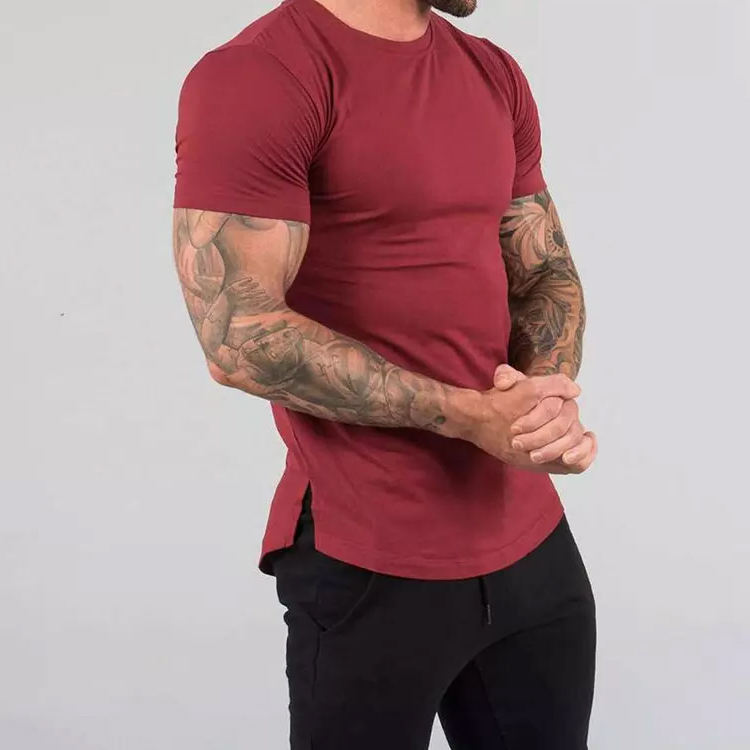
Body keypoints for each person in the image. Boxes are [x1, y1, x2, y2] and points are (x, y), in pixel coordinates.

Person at [171, 0, 598, 746]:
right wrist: (471, 416)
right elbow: (237, 335)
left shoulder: (491, 72)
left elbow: (543, 273)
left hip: (532, 550)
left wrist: (543, 402)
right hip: (368, 555)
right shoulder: (258, 75)